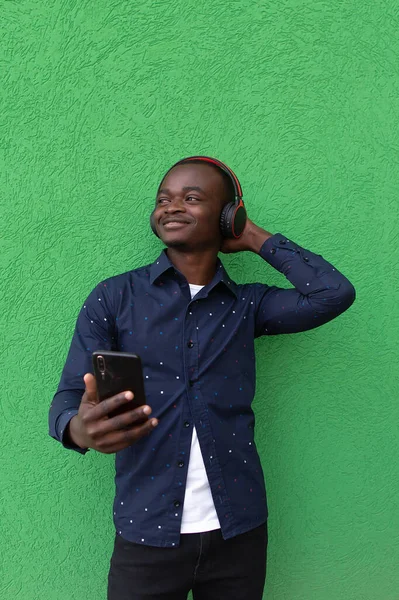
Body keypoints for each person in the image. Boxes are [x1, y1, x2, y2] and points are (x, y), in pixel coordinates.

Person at [49, 156, 356, 600]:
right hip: (146, 533)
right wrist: (78, 429)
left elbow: (333, 293)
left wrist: (251, 236)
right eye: (163, 199)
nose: (171, 207)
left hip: (239, 532)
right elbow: (68, 398)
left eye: (192, 198)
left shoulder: (248, 305)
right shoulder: (113, 297)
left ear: (227, 215)